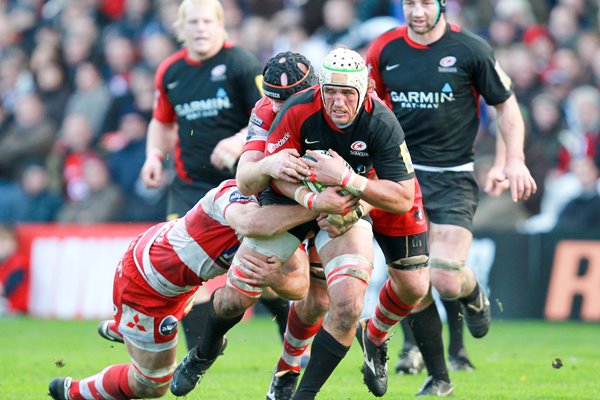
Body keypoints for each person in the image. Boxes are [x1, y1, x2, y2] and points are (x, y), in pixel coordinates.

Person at [366, 0, 537, 394]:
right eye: (410, 3)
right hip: (400, 177)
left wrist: (513, 161)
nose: (417, 11)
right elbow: (368, 106)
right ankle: (435, 374)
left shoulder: (471, 49)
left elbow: (506, 105)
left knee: (444, 277)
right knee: (412, 280)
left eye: (426, 2)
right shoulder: (383, 48)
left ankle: (471, 288)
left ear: (443, 5)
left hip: (453, 177)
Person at [165, 50, 358, 397]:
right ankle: (204, 352)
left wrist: (354, 207)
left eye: (290, 100)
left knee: (318, 300)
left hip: (336, 204)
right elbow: (246, 179)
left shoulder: (340, 105)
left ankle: (287, 370)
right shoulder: (264, 110)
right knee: (232, 299)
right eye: (275, 100)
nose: (282, 109)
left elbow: (375, 174)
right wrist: (269, 166)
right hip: (287, 202)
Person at [47, 178, 347, 400]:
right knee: (152, 384)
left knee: (252, 288)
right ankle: (73, 392)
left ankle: (124, 326)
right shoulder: (234, 194)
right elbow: (249, 224)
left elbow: (299, 287)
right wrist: (315, 208)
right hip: (147, 281)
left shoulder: (283, 221)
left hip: (179, 282)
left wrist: (274, 277)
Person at [259, 46, 427, 399]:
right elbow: (271, 174)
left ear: (363, 91)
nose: (337, 102)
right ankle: (288, 374)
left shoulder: (381, 120)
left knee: (408, 288)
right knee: (330, 301)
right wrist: (313, 199)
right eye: (330, 92)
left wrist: (348, 181)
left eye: (346, 93)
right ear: (319, 90)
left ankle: (375, 335)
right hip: (315, 201)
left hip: (368, 197)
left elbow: (402, 197)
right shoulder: (298, 109)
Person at [139, 0, 265, 350]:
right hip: (188, 184)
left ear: (220, 24)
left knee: (260, 266)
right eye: (193, 22)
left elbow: (270, 115)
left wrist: (240, 141)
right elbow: (162, 122)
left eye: (208, 21)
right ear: (181, 28)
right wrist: (153, 155)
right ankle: (199, 352)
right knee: (179, 265)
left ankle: (294, 339)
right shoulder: (170, 71)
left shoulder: (240, 63)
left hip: (240, 183)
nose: (200, 28)